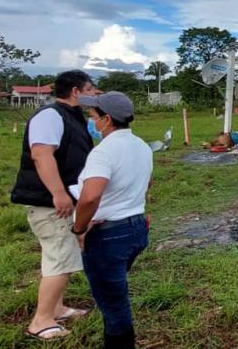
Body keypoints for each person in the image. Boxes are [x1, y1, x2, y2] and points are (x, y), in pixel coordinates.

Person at [11, 70, 96, 340]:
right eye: (90, 90)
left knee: (62, 256)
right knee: (60, 258)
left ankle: (56, 308)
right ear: (75, 91)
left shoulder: (71, 116)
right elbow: (41, 155)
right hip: (50, 203)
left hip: (63, 200)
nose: (93, 95)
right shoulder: (50, 116)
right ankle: (41, 321)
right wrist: (58, 193)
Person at [70, 91, 153, 348]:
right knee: (114, 290)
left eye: (93, 116)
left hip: (108, 235)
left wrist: (79, 228)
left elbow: (90, 197)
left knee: (114, 305)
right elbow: (147, 182)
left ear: (106, 120)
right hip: (136, 228)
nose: (91, 121)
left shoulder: (104, 152)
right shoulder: (141, 146)